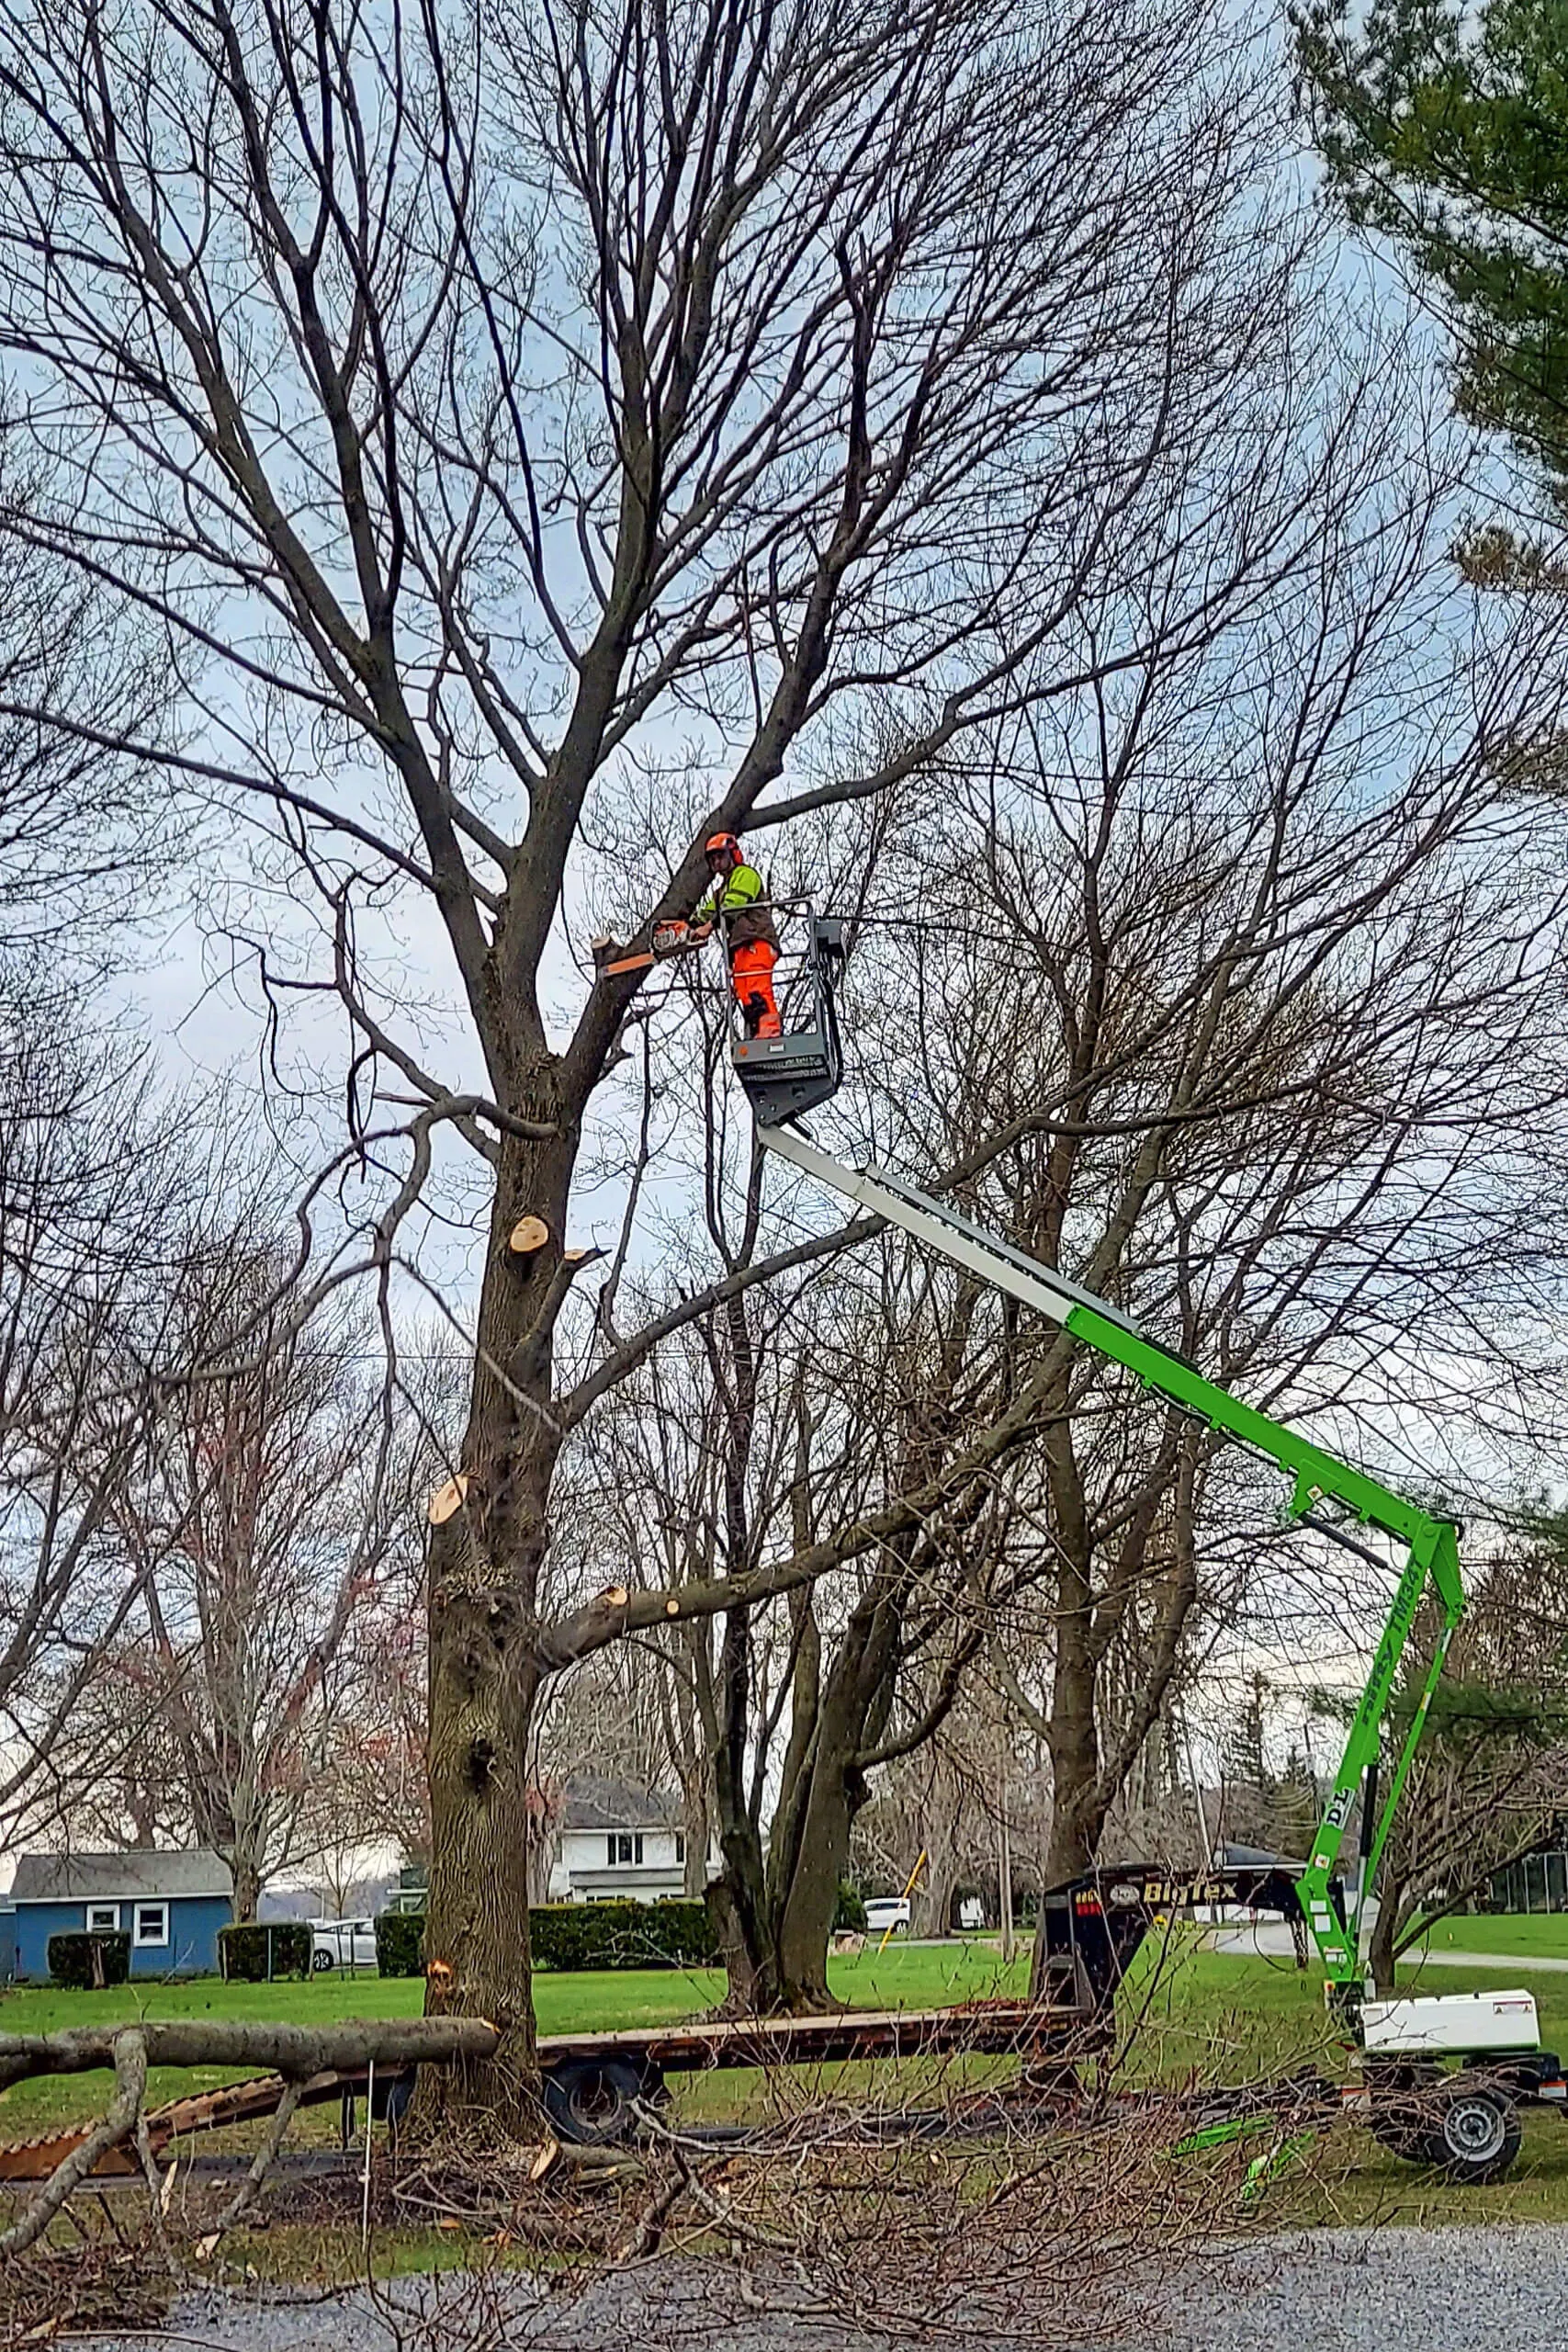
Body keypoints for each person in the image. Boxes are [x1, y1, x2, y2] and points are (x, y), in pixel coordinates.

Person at [698, 831, 782, 1037]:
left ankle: (770, 1034)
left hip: (757, 940)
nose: (717, 862)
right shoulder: (721, 891)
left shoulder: (746, 875)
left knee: (756, 986)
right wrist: (688, 926)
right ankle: (757, 1033)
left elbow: (732, 906)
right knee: (744, 992)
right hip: (740, 946)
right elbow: (707, 912)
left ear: (732, 854)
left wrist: (710, 926)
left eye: (720, 856)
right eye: (713, 859)